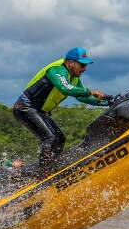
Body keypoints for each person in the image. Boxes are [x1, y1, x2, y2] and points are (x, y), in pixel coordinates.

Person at [12, 47, 109, 179]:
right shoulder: (57, 70)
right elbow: (66, 88)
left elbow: (82, 97)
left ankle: (52, 168)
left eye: (86, 65)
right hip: (25, 107)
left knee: (60, 139)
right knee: (50, 138)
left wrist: (106, 102)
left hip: (39, 111)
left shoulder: (74, 77)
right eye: (82, 65)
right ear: (70, 63)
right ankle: (42, 174)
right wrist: (90, 91)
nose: (84, 68)